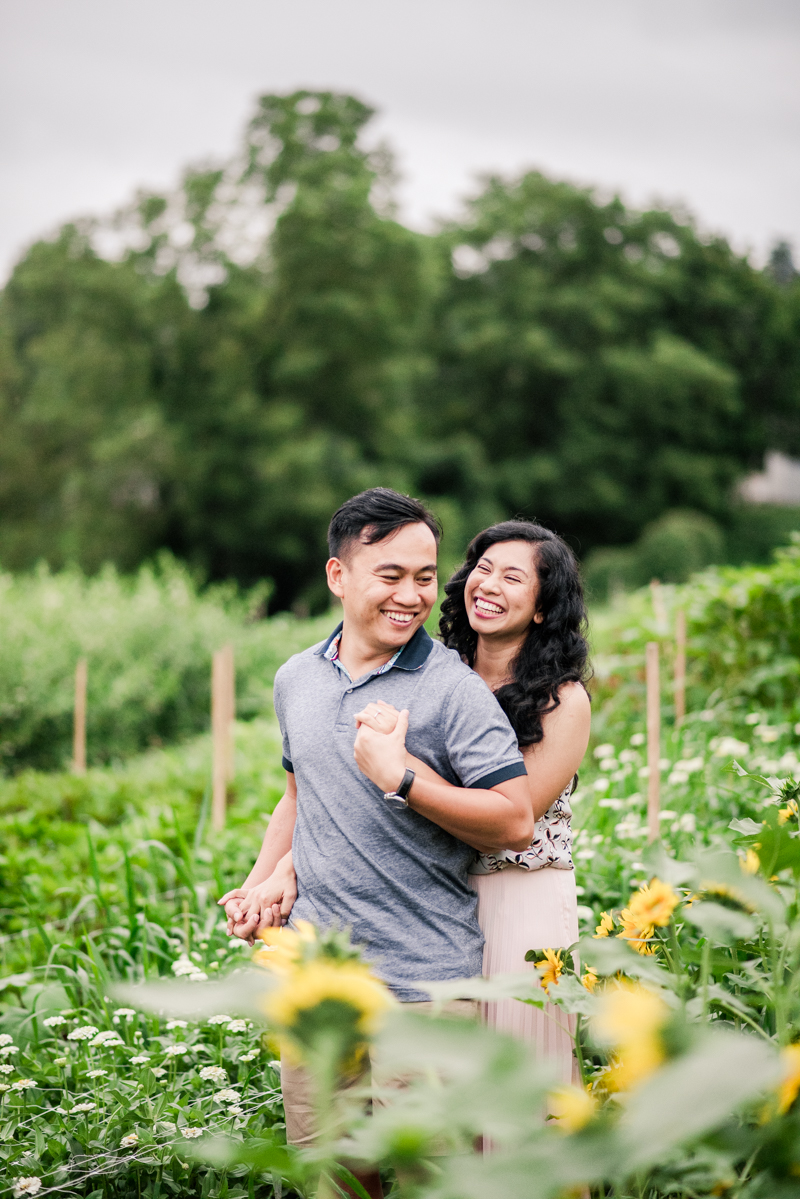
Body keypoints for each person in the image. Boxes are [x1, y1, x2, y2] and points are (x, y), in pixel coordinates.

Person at [219, 488, 534, 1192]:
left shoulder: (452, 688)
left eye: (425, 576)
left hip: (424, 983)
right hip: (320, 982)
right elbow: (300, 793)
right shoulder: (296, 677)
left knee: (431, 1175)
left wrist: (403, 778)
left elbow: (514, 817)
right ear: (339, 576)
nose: (412, 594)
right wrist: (263, 880)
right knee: (331, 1176)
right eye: (390, 575)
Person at [353, 521, 591, 1083]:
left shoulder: (563, 699)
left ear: (541, 608)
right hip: (431, 896)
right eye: (482, 569)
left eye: (513, 577)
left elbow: (512, 820)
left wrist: (403, 771)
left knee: (517, 1079)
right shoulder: (432, 672)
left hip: (519, 898)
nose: (489, 585)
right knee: (444, 1083)